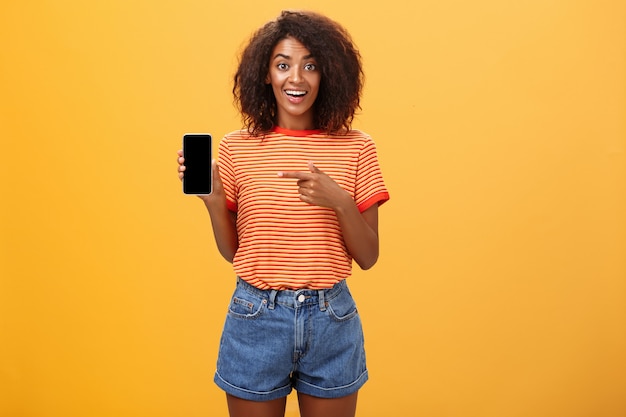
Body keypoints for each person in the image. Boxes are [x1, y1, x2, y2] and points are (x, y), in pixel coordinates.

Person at [177, 10, 389, 417]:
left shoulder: (357, 148)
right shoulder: (236, 148)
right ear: (265, 75)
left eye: (310, 65)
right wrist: (212, 201)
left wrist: (340, 201)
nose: (297, 78)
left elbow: (369, 256)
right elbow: (234, 252)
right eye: (283, 65)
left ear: (328, 74)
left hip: (332, 319)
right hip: (255, 315)